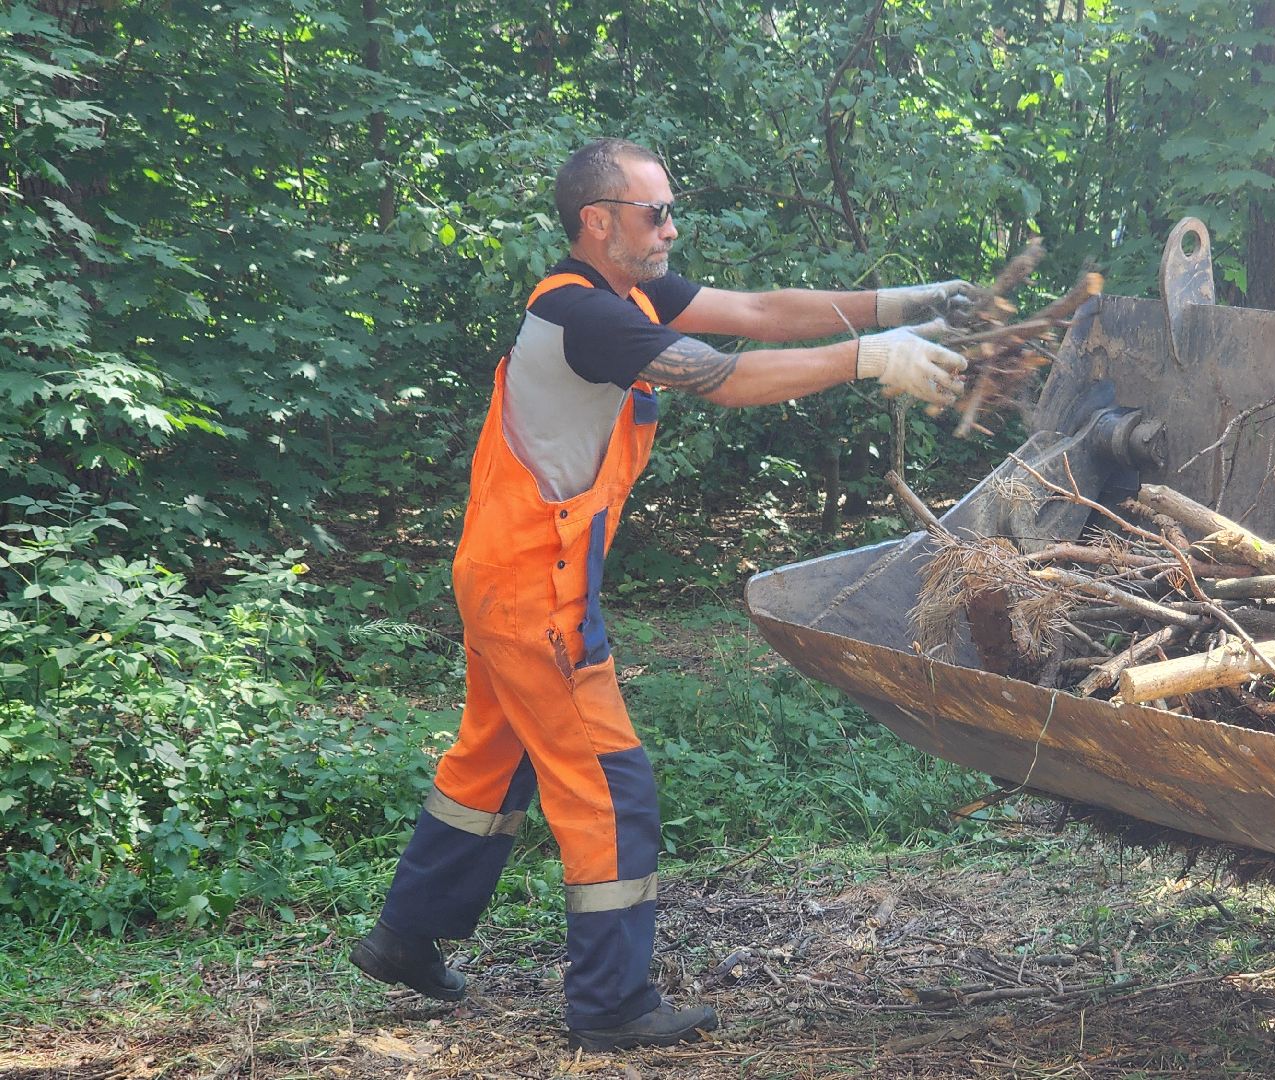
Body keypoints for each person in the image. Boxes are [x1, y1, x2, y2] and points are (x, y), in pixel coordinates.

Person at [348, 137, 974, 1051]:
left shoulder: (628, 294)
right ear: (597, 222)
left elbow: (761, 312)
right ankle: (610, 1004)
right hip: (533, 588)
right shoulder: (583, 317)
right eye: (656, 213)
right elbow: (722, 377)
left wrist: (906, 304)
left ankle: (406, 938)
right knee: (611, 784)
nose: (672, 227)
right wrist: (868, 359)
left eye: (672, 208)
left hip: (509, 572)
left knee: (495, 759)